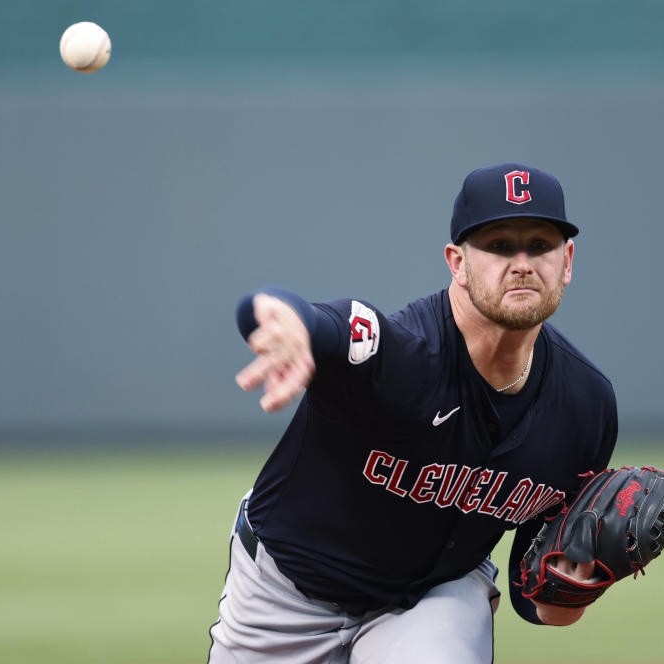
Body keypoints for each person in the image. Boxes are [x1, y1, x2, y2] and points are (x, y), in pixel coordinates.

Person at [207, 163, 618, 663]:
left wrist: (571, 585)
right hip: (286, 594)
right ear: (457, 263)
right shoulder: (406, 353)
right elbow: (328, 322)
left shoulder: (586, 407)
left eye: (540, 244)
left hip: (432, 600)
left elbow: (535, 597)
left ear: (567, 260)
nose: (523, 262)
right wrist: (286, 320)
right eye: (498, 246)